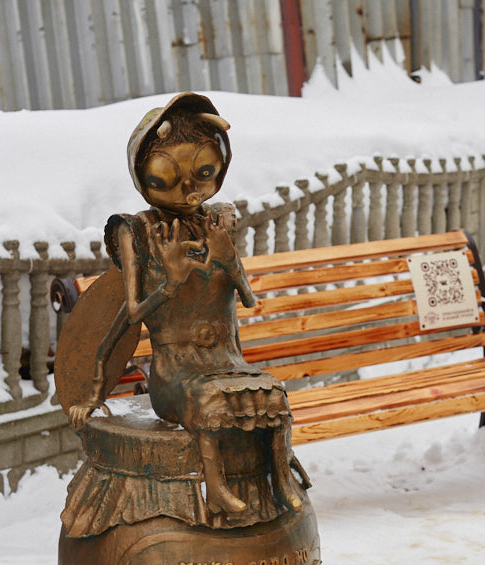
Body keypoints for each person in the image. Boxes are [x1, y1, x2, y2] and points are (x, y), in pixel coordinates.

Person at [69, 93, 307, 516]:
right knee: (209, 398)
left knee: (273, 395)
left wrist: (231, 263)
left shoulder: (220, 221)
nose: (189, 190)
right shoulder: (137, 232)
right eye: (169, 176)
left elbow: (249, 301)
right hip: (174, 372)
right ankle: (213, 487)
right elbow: (131, 315)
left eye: (203, 172)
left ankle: (281, 476)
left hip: (226, 359)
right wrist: (170, 283)